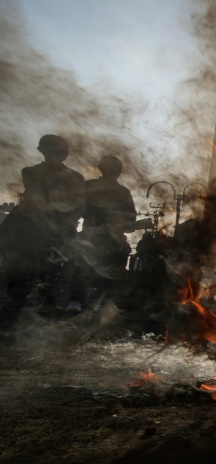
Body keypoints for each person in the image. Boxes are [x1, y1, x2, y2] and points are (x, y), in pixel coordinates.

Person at [0, 135, 85, 329]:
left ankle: (42, 327)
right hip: (30, 234)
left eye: (57, 153)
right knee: (20, 283)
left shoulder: (74, 178)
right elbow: (36, 200)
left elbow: (78, 207)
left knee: (51, 283)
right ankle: (7, 327)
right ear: (43, 152)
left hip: (55, 236)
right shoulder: (30, 172)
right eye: (50, 152)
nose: (53, 156)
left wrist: (63, 226)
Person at [69, 156, 137, 310]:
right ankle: (78, 302)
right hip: (93, 237)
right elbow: (77, 209)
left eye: (113, 169)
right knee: (85, 270)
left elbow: (131, 218)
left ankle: (99, 304)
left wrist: (117, 222)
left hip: (109, 239)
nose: (111, 172)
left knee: (106, 272)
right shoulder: (91, 187)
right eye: (110, 169)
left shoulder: (122, 192)